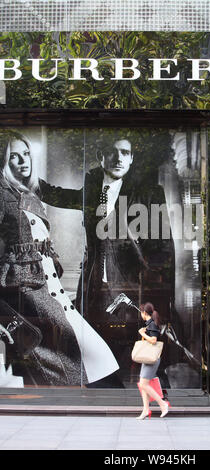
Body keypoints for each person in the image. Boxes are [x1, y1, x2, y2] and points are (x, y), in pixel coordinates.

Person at [40, 130, 176, 387]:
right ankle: (107, 397)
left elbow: (162, 248)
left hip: (132, 288)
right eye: (112, 152)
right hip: (96, 288)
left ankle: (158, 398)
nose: (118, 158)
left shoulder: (147, 192)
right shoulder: (92, 188)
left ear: (132, 158)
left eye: (125, 152)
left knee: (147, 355)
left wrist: (158, 298)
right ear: (100, 156)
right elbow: (64, 196)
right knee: (97, 353)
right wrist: (32, 185)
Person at [0, 130, 119, 386]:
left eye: (26, 154)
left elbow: (76, 199)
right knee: (72, 369)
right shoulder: (2, 194)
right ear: (3, 160)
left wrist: (103, 183)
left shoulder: (33, 188)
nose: (24, 161)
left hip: (49, 291)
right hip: (28, 299)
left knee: (94, 363)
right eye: (14, 156)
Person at [136, 302, 169, 419]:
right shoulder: (149, 324)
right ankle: (145, 410)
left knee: (144, 384)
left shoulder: (152, 325)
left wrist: (141, 333)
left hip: (151, 359)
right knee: (143, 384)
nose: (140, 314)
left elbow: (154, 340)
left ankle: (162, 404)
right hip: (147, 358)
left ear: (144, 313)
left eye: (141, 312)